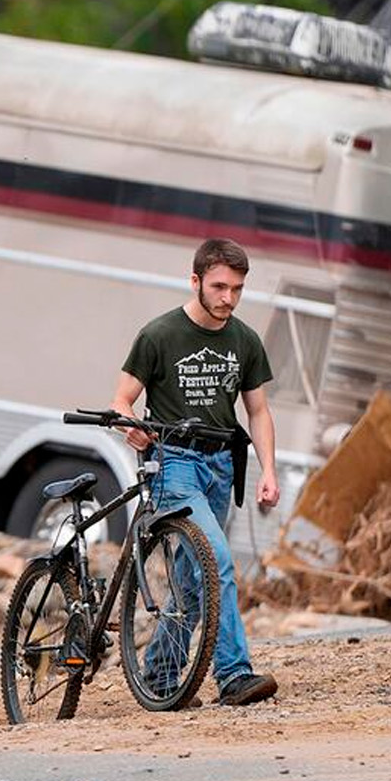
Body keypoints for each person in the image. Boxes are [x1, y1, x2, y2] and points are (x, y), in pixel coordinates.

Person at [110, 237, 280, 706]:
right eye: (220, 287)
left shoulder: (244, 340)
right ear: (196, 281)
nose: (229, 298)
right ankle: (234, 675)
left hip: (222, 464)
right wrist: (133, 427)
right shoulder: (159, 335)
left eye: (238, 289)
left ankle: (162, 679)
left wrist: (268, 470)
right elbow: (122, 399)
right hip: (175, 463)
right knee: (217, 559)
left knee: (191, 581)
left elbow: (259, 411)